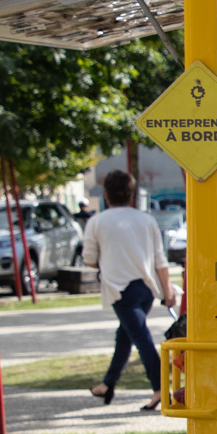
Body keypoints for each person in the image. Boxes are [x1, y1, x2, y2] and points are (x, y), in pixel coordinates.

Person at [81, 170, 177, 410]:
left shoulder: (97, 222)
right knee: (125, 336)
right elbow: (159, 259)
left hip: (119, 290)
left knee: (141, 338)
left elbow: (89, 260)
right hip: (146, 288)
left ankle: (159, 389)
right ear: (132, 195)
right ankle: (108, 384)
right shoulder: (147, 220)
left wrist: (110, 257)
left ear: (106, 195)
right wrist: (167, 291)